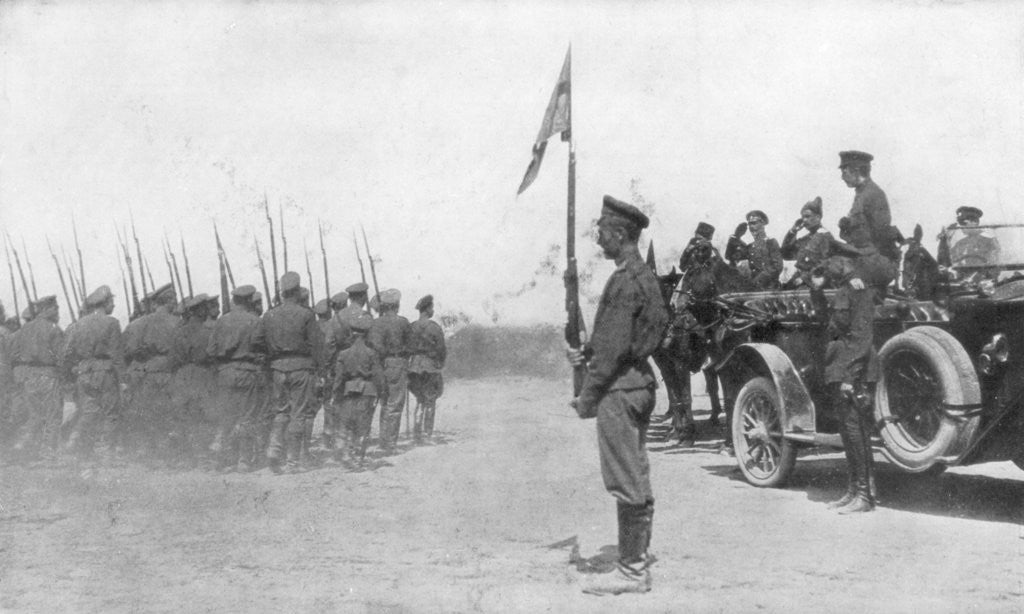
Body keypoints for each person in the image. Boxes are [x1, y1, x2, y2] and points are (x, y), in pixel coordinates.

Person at [567, 195, 668, 595]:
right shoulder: (641, 276)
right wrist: (585, 351)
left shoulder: (626, 280)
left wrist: (587, 396)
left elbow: (611, 351)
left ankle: (632, 570)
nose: (598, 240)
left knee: (625, 478)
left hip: (620, 389)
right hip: (638, 382)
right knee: (636, 474)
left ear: (621, 233)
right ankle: (636, 562)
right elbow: (623, 337)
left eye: (603, 232)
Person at [809, 256, 878, 514]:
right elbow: (829, 322)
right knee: (849, 433)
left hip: (854, 369)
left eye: (831, 264)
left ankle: (864, 495)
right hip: (842, 366)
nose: (827, 267)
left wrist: (850, 377)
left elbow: (862, 336)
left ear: (845, 264)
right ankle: (854, 491)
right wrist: (816, 290)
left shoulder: (858, 290)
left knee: (856, 431)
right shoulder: (845, 289)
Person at [253, 272, 324, 473]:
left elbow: (258, 343)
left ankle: (274, 449)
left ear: (282, 292)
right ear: (297, 290)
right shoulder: (306, 314)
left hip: (277, 369)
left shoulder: (269, 315)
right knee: (298, 414)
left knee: (281, 412)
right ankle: (293, 461)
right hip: (301, 368)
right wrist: (320, 369)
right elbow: (317, 345)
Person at [61, 286, 125, 470]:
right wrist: (124, 380)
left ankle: (73, 441)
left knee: (88, 412)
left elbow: (66, 354)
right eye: (111, 302)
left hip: (83, 373)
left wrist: (72, 372)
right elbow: (117, 354)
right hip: (105, 372)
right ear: (104, 304)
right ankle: (105, 453)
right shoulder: (112, 323)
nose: (113, 305)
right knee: (110, 413)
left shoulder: (77, 324)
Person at [206, 285, 266, 472]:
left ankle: (218, 458)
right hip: (248, 373)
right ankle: (244, 461)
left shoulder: (221, 322)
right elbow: (261, 348)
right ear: (248, 300)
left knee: (226, 416)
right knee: (247, 416)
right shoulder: (255, 321)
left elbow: (211, 351)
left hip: (225, 373)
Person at [124, 283, 180, 463]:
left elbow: (128, 351)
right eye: (174, 299)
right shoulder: (177, 323)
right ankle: (167, 453)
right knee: (168, 413)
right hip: (169, 371)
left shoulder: (137, 324)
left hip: (146, 371)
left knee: (147, 413)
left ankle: (146, 452)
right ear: (169, 301)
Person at [8, 296, 65, 464]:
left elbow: (14, 354)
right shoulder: (54, 329)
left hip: (28, 377)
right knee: (52, 416)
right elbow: (61, 356)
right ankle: (48, 455)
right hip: (48, 375)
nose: (57, 313)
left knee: (35, 415)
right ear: (47, 310)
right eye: (55, 309)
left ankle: (26, 450)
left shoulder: (24, 329)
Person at [836, 150, 900, 291]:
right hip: (862, 259)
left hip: (873, 262)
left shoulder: (873, 194)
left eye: (844, 172)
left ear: (856, 170)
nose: (842, 177)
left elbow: (882, 236)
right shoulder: (861, 194)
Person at [333, 314, 384, 466]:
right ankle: (358, 456)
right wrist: (382, 393)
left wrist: (336, 395)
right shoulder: (371, 353)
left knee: (348, 423)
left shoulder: (343, 354)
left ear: (351, 333)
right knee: (363, 425)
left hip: (349, 391)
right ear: (366, 334)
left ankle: (347, 454)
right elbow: (378, 376)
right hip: (368, 391)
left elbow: (339, 378)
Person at [367, 289, 410, 454]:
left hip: (379, 364)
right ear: (397, 306)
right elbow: (410, 345)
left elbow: (373, 345)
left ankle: (383, 441)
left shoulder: (376, 323)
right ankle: (389, 444)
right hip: (397, 363)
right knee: (395, 404)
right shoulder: (403, 322)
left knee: (384, 402)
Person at [407, 294, 446, 443]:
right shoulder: (434, 327)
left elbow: (407, 347)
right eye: (432, 307)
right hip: (430, 367)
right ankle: (427, 433)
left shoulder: (412, 326)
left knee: (419, 400)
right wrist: (439, 364)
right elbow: (441, 349)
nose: (432, 310)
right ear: (428, 309)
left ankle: (417, 433)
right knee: (430, 400)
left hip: (414, 367)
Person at [781, 197, 835, 288]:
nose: (804, 220)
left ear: (818, 217)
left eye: (807, 216)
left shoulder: (825, 236)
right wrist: (793, 231)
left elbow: (827, 263)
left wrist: (805, 278)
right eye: (803, 217)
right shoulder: (805, 239)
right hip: (801, 282)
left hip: (817, 283)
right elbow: (785, 254)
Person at [725, 210, 783, 289]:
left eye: (754, 223)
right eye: (749, 224)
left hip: (770, 288)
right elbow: (730, 256)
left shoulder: (770, 242)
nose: (751, 227)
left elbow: (777, 267)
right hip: (754, 287)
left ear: (762, 224)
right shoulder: (750, 247)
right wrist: (736, 236)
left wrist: (757, 281)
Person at [937, 206, 1000, 275]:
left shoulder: (989, 241)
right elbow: (950, 260)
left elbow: (994, 265)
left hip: (984, 279)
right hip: (964, 279)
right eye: (959, 224)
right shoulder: (960, 243)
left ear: (975, 222)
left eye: (963, 223)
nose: (960, 227)